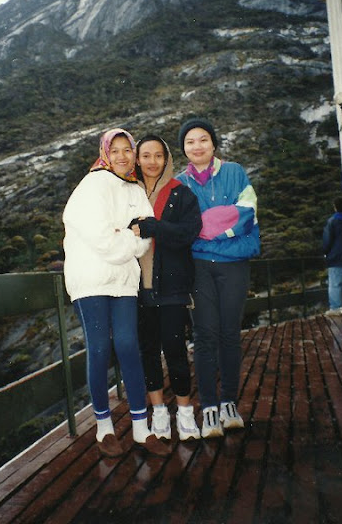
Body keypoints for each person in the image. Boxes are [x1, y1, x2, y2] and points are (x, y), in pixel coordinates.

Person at [62, 128, 169, 458]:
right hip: (91, 279)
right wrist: (128, 237)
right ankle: (104, 427)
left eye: (128, 150)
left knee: (127, 345)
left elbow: (146, 233)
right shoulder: (91, 185)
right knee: (99, 347)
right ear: (105, 153)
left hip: (123, 281)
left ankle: (141, 428)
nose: (122, 156)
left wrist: (127, 237)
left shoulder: (136, 189)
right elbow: (101, 237)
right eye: (116, 150)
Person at [177, 118, 260, 438]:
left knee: (229, 333)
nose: (197, 146)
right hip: (198, 267)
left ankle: (229, 403)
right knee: (204, 335)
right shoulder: (179, 184)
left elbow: (247, 211)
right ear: (184, 148)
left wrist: (203, 226)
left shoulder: (235, 172)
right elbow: (182, 228)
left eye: (203, 139)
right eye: (190, 141)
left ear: (213, 143)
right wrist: (219, 224)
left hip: (233, 265)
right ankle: (209, 408)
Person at [131, 135, 202, 441]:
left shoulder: (180, 193)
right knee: (147, 352)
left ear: (166, 159)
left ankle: (185, 414)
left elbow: (190, 232)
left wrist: (154, 226)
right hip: (137, 290)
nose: (152, 161)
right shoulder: (128, 193)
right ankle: (159, 412)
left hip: (172, 287)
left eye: (158, 155)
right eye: (145, 155)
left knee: (175, 350)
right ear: (137, 159)